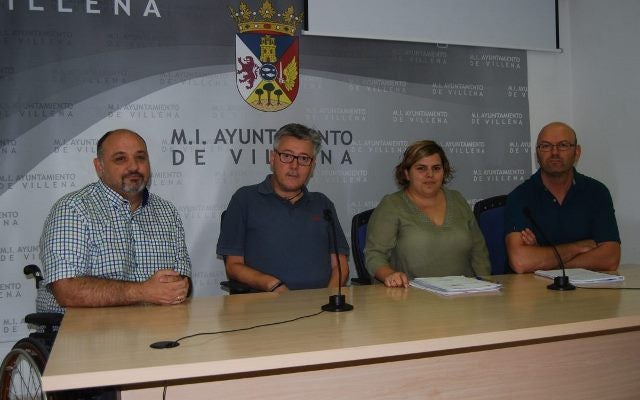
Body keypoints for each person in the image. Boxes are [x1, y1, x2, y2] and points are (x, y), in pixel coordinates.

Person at [37, 129, 192, 314]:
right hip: (83, 328)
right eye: (120, 159)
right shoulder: (73, 209)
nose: (134, 166)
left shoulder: (167, 212)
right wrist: (143, 292)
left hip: (155, 324)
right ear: (99, 167)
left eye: (140, 157)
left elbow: (183, 280)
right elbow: (67, 291)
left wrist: (177, 287)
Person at [217, 123, 349, 292]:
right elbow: (233, 265)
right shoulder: (245, 199)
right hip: (266, 301)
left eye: (303, 159)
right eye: (287, 156)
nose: (294, 166)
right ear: (272, 158)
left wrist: (328, 298)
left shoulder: (323, 204)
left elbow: (340, 266)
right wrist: (271, 284)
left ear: (312, 165)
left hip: (320, 302)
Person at [365, 140, 491, 288]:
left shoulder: (457, 199)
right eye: (421, 168)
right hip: (410, 295)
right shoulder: (392, 205)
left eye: (436, 168)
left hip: (465, 294)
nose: (430, 174)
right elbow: (375, 255)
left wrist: (485, 286)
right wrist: (389, 275)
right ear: (406, 173)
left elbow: (479, 252)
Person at [505, 122, 621, 273]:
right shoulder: (520, 197)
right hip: (536, 286)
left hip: (588, 285)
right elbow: (521, 262)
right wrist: (577, 247)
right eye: (546, 146)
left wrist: (543, 262)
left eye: (563, 145)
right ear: (537, 154)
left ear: (577, 152)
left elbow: (610, 258)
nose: (554, 152)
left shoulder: (597, 192)